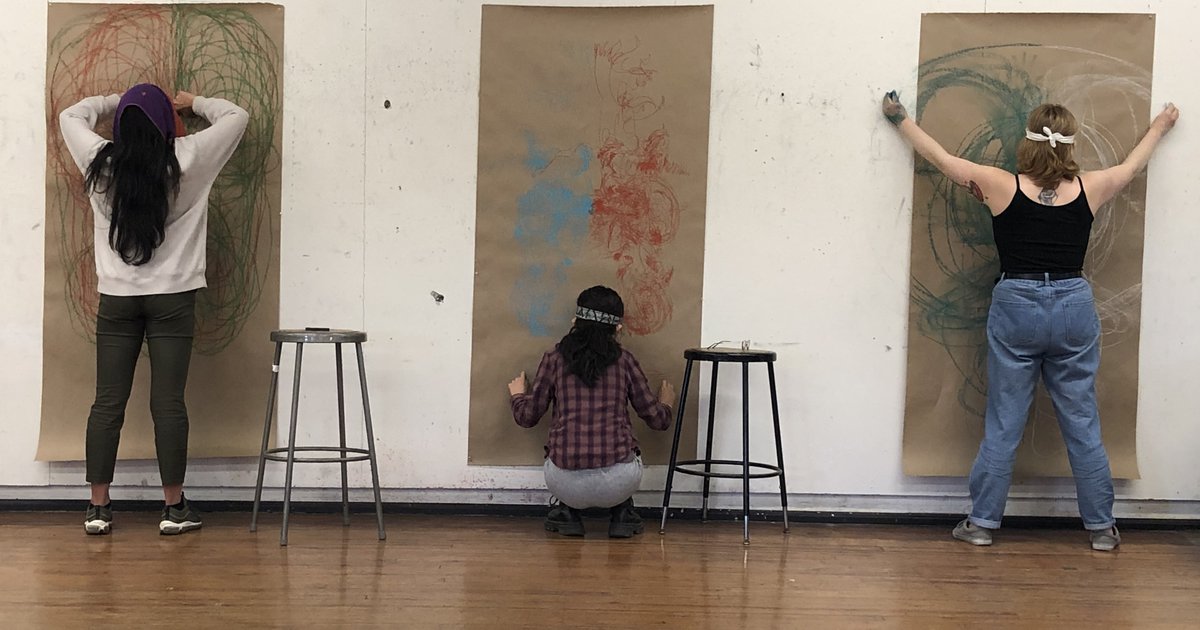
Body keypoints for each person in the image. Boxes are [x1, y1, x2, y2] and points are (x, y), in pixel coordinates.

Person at [882, 90, 1178, 551]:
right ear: (1070, 145)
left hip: (1015, 302)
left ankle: (981, 524)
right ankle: (1101, 529)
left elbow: (942, 158)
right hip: (1072, 304)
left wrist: (899, 119)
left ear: (1027, 143)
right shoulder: (1090, 188)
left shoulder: (999, 185)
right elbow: (1131, 167)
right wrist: (1160, 125)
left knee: (1004, 421)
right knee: (1081, 420)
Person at [59, 83, 249, 535]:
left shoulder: (99, 161)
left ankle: (99, 509)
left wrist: (110, 100)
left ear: (121, 125)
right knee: (168, 404)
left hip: (117, 299)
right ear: (167, 124)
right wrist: (193, 103)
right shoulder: (189, 158)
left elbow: (70, 117)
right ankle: (174, 509)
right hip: (174, 299)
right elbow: (237, 117)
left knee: (107, 402)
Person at [509, 286, 676, 538]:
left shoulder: (554, 360)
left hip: (563, 484)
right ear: (618, 328)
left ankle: (567, 512)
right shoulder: (625, 361)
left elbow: (527, 417)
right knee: (630, 452)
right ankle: (622, 512)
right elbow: (658, 420)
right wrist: (666, 403)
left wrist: (518, 395)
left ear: (575, 321)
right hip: (620, 483)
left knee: (558, 456)